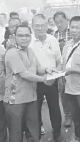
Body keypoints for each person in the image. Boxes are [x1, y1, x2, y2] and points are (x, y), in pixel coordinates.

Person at [4, 24, 54, 142]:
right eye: (20, 35)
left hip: (31, 98)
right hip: (15, 100)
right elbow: (24, 74)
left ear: (30, 37)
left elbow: (37, 68)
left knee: (33, 131)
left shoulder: (30, 51)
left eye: (27, 35)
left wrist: (47, 70)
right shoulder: (12, 53)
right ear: (14, 37)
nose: (24, 38)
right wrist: (44, 79)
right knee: (16, 133)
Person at [30, 14, 64, 142]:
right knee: (35, 109)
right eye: (37, 26)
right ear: (32, 27)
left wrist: (56, 76)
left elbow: (58, 60)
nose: (40, 28)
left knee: (55, 108)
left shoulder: (52, 39)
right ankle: (36, 134)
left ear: (47, 26)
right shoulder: (29, 42)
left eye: (43, 25)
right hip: (36, 80)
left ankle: (57, 133)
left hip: (52, 80)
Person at [53, 11, 73, 127]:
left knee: (76, 94)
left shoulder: (73, 32)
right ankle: (68, 116)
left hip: (73, 67)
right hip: (60, 69)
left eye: (61, 21)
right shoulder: (54, 36)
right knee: (63, 93)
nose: (59, 25)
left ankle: (77, 115)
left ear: (67, 20)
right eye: (57, 23)